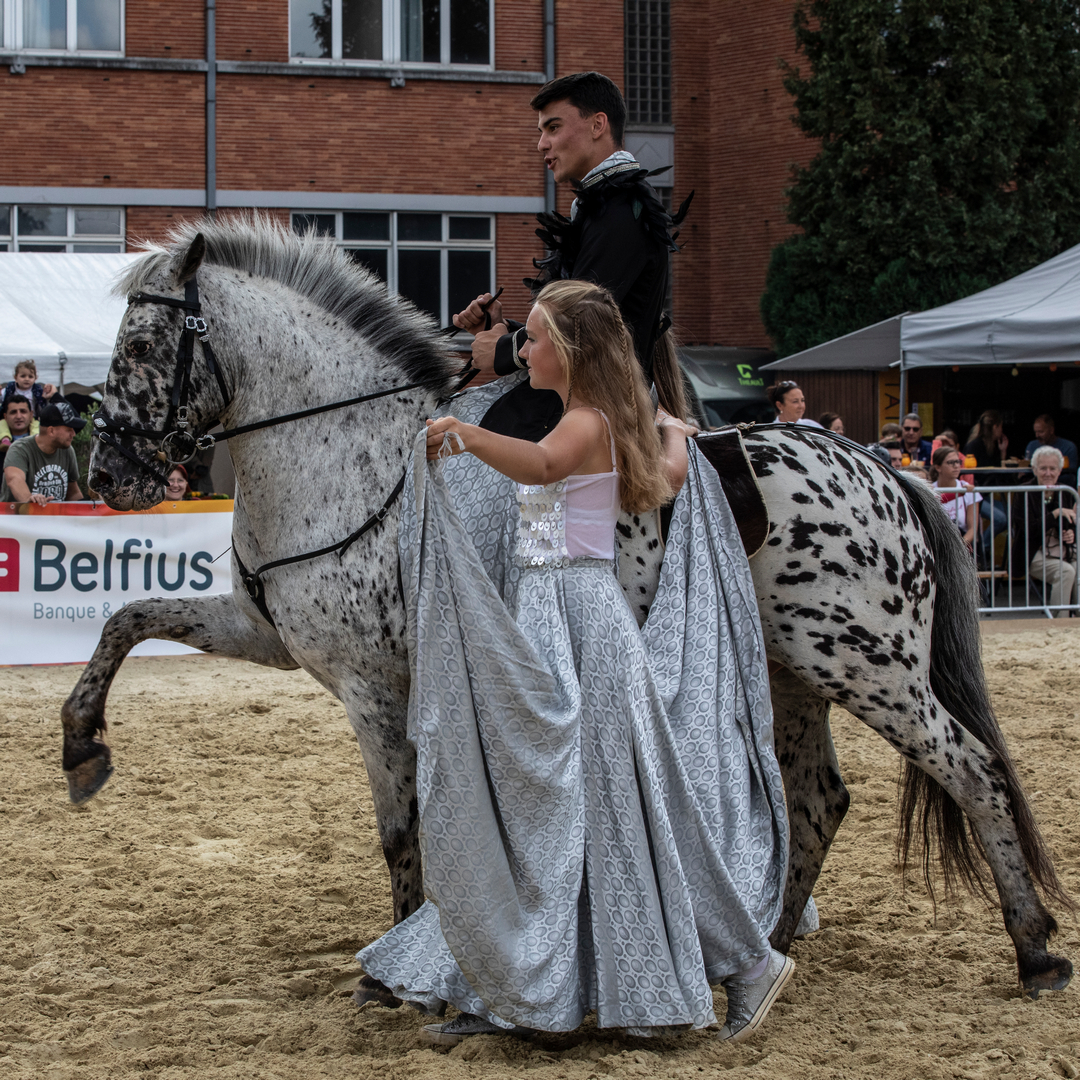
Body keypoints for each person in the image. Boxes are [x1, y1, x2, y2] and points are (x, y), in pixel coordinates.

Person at [358, 281, 790, 1045]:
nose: (523, 350)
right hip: (564, 613)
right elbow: (667, 478)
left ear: (572, 349)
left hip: (575, 615)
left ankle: (745, 962)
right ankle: (543, 990)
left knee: (608, 805)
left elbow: (542, 465)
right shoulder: (602, 418)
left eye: (535, 338)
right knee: (597, 806)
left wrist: (464, 436)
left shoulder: (585, 421)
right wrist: (675, 432)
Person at [453, 71, 690, 439]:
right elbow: (575, 323)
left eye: (553, 127)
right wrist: (501, 329)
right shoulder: (607, 206)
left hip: (591, 411)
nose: (541, 144)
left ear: (597, 125)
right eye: (541, 131)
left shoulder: (623, 211)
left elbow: (581, 326)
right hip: (574, 402)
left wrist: (502, 350)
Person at [1021, 445, 1077, 617]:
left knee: (1077, 567)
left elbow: (1071, 525)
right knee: (1066, 571)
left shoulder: (1066, 491)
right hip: (1032, 552)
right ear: (1034, 469)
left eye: (1052, 469)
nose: (1048, 473)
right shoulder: (1024, 492)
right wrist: (1055, 514)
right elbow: (1027, 530)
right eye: (1043, 468)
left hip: (1061, 550)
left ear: (1059, 471)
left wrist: (1071, 535)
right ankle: (1060, 622)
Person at [0, 399, 84, 504]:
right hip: (18, 514)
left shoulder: (67, 450)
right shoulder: (19, 449)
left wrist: (92, 508)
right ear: (51, 431)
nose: (73, 434)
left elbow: (73, 493)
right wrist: (29, 499)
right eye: (69, 430)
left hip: (56, 513)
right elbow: (14, 479)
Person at [963, 410, 1010, 558]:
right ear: (995, 427)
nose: (1001, 430)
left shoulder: (994, 446)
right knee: (1001, 519)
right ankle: (981, 549)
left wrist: (1003, 453)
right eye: (1000, 427)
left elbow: (998, 473)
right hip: (975, 495)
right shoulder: (974, 446)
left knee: (1011, 514)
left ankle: (983, 547)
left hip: (985, 495)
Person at [930, 446, 981, 551]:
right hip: (936, 545)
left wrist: (959, 547)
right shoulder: (930, 490)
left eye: (958, 462)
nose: (956, 466)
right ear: (938, 467)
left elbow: (972, 529)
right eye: (951, 462)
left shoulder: (967, 489)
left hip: (962, 545)